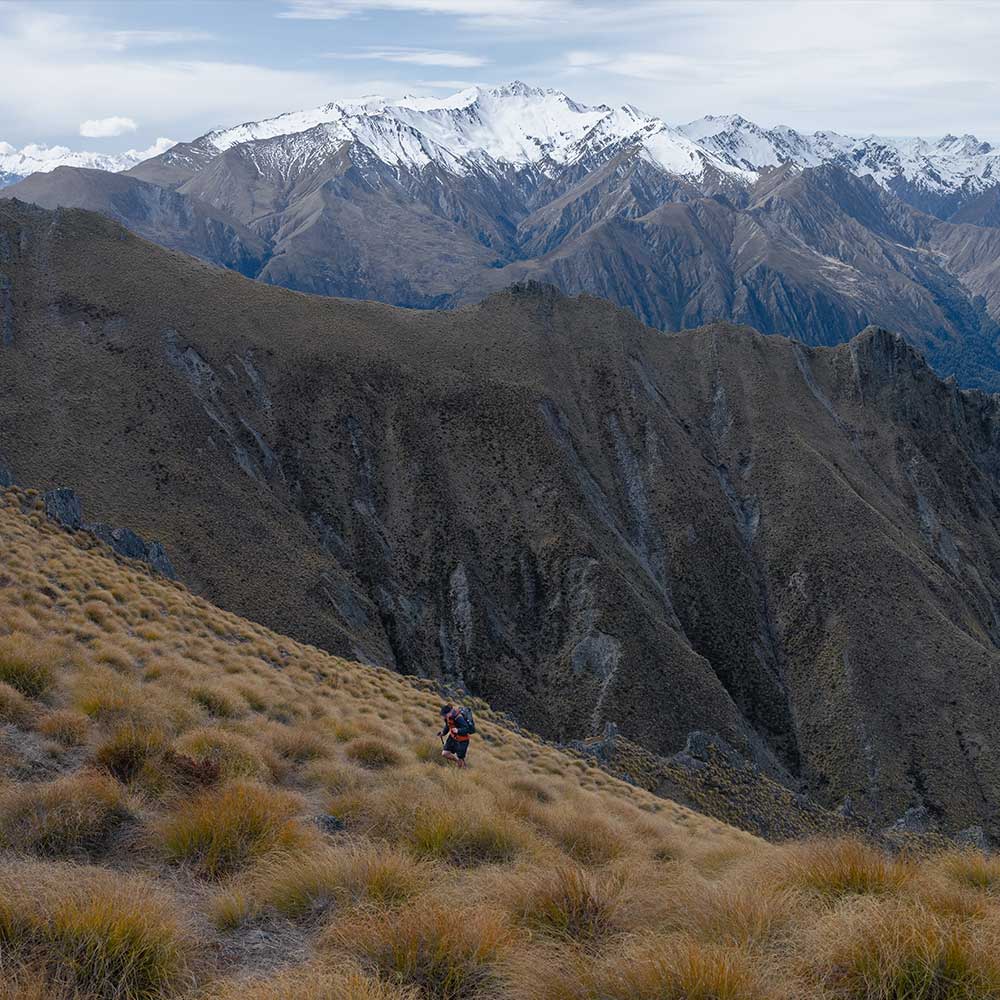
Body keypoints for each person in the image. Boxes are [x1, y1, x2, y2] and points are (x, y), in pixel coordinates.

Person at [439, 703, 470, 768]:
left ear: (449, 712)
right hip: (453, 738)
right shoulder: (447, 717)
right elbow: (448, 726)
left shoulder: (459, 718)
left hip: (462, 741)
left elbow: (467, 729)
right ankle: (457, 761)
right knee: (445, 753)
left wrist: (458, 730)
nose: (444, 716)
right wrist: (443, 733)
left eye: (445, 715)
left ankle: (462, 772)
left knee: (461, 760)